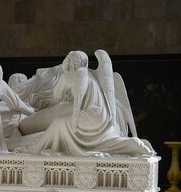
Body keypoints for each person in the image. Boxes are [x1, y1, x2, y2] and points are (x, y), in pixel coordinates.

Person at [15, 50, 154, 157]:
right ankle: (134, 144)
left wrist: (73, 123)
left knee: (59, 124)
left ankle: (37, 150)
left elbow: (58, 97)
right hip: (102, 118)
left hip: (89, 118)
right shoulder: (92, 75)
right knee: (102, 142)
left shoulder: (71, 76)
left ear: (69, 62)